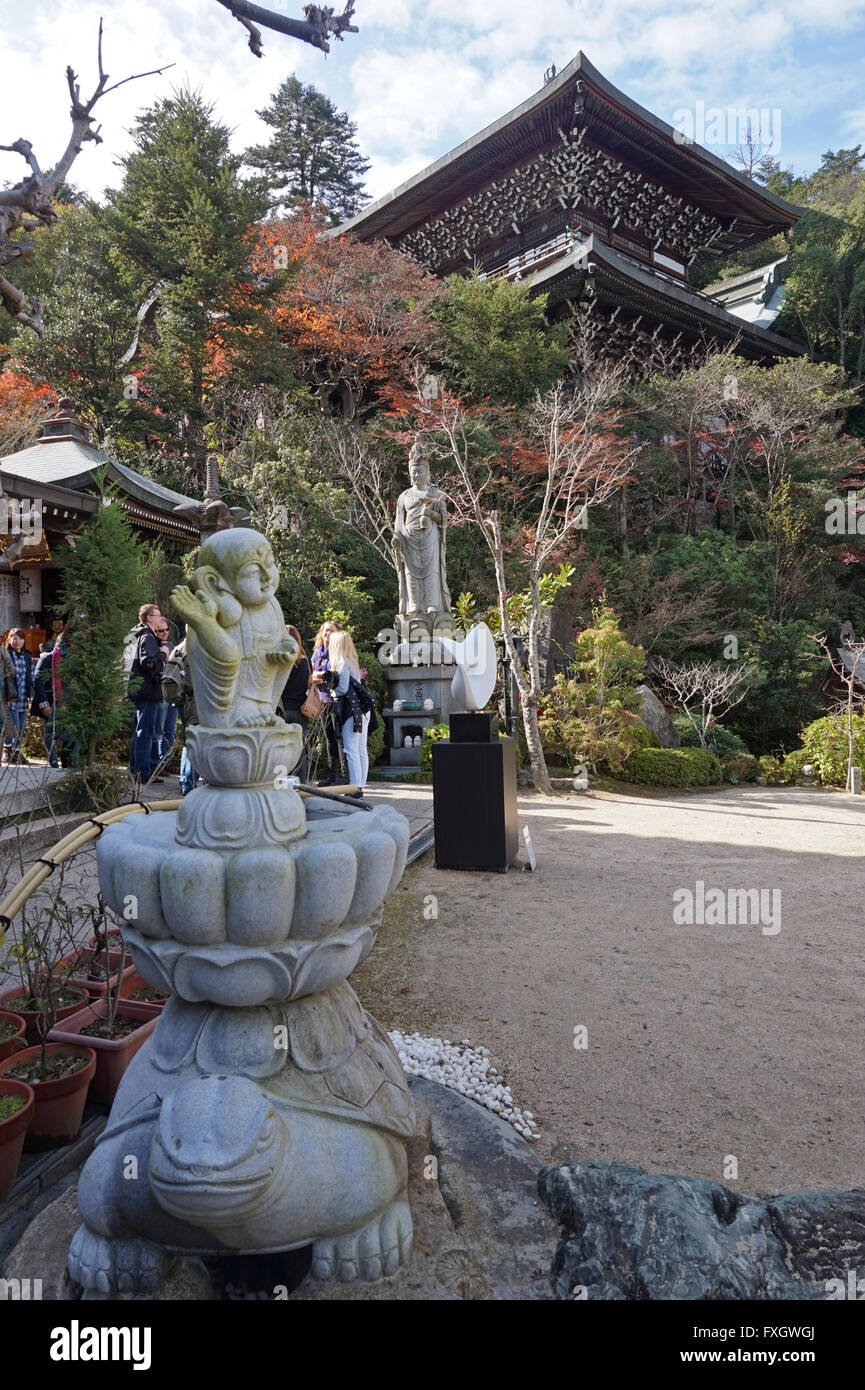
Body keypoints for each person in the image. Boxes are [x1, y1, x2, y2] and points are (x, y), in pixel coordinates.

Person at [321, 630, 376, 800]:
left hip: (350, 712)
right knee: (360, 750)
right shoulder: (352, 662)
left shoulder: (343, 662)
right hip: (362, 711)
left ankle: (355, 789)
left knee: (351, 750)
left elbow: (343, 689)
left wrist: (331, 690)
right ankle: (359, 786)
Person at [128, 604, 172, 783]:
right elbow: (148, 664)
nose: (161, 618)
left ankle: (136, 770)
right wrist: (163, 654)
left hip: (140, 690)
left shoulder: (139, 635)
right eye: (158, 615)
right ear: (149, 618)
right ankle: (142, 773)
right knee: (144, 733)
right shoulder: (147, 637)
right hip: (147, 691)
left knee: (141, 732)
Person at [161, 636, 199, 795]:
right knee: (196, 742)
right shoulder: (194, 649)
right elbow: (191, 681)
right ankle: (189, 784)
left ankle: (186, 782)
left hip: (183, 702)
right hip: (196, 702)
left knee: (189, 741)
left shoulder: (178, 648)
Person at [310, 620, 346, 786]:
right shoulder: (318, 652)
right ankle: (332, 775)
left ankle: (345, 775)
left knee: (340, 738)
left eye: (331, 631)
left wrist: (322, 675)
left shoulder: (337, 651)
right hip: (322, 701)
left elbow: (336, 673)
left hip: (337, 700)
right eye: (325, 630)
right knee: (329, 739)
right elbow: (310, 674)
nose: (327, 633)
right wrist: (316, 676)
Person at [279, 624, 312, 782]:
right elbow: (309, 685)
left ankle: (283, 779)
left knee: (281, 747)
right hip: (301, 710)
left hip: (282, 710)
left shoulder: (281, 661)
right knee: (299, 748)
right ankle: (301, 781)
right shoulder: (307, 662)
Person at [2, 629, 34, 765]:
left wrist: (32, 694)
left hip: (23, 698)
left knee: (20, 727)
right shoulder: (5, 654)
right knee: (13, 727)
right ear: (9, 640)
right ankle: (11, 752)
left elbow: (31, 676)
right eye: (14, 638)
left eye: (20, 638)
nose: (17, 641)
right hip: (10, 698)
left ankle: (13, 751)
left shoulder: (27, 656)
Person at [31, 639, 58, 767]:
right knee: (49, 731)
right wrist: (43, 703)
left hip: (65, 702)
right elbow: (38, 680)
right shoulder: (47, 659)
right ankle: (53, 761)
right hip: (49, 701)